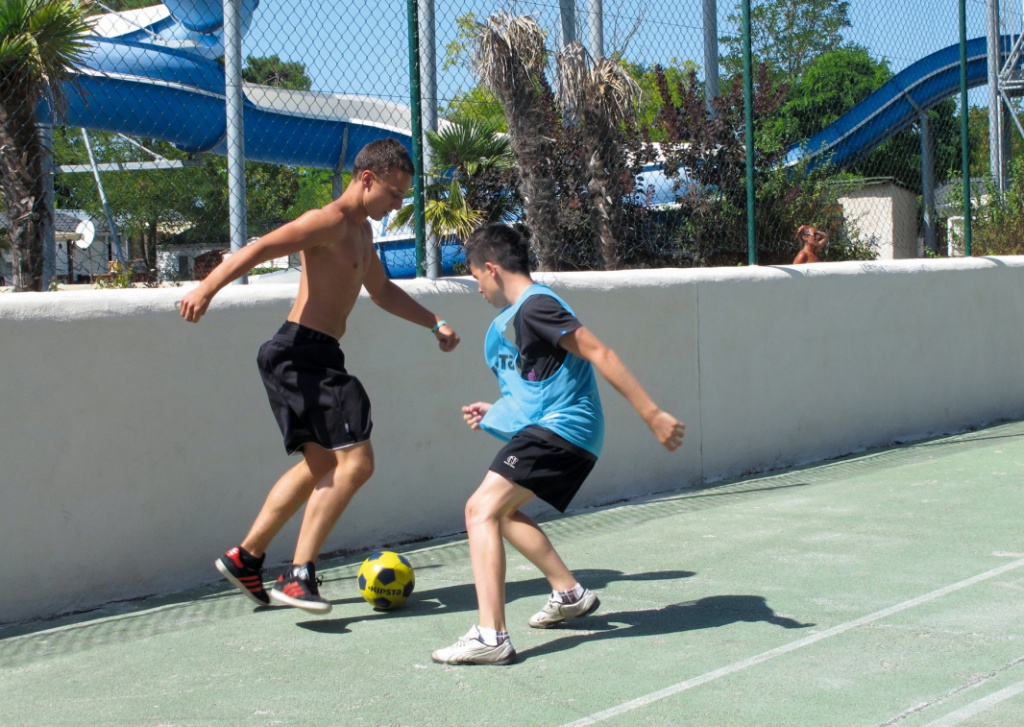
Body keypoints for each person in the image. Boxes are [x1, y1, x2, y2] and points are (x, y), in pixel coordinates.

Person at [178, 139, 460, 614]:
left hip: (314, 355)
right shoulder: (327, 221)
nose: (397, 205)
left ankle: (246, 558)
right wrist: (205, 289)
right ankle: (298, 575)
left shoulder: (362, 233)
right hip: (300, 354)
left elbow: (382, 291)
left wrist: (434, 322)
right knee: (358, 463)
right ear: (366, 178)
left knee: (322, 465)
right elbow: (262, 247)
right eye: (393, 193)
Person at [431, 223, 685, 665]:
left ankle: (491, 636)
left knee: (479, 510)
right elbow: (544, 389)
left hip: (565, 429)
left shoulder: (536, 306)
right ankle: (569, 594)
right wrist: (496, 412)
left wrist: (652, 414)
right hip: (566, 429)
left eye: (475, 277)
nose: (477, 288)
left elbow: (600, 352)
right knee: (501, 513)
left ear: (492, 269)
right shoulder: (532, 309)